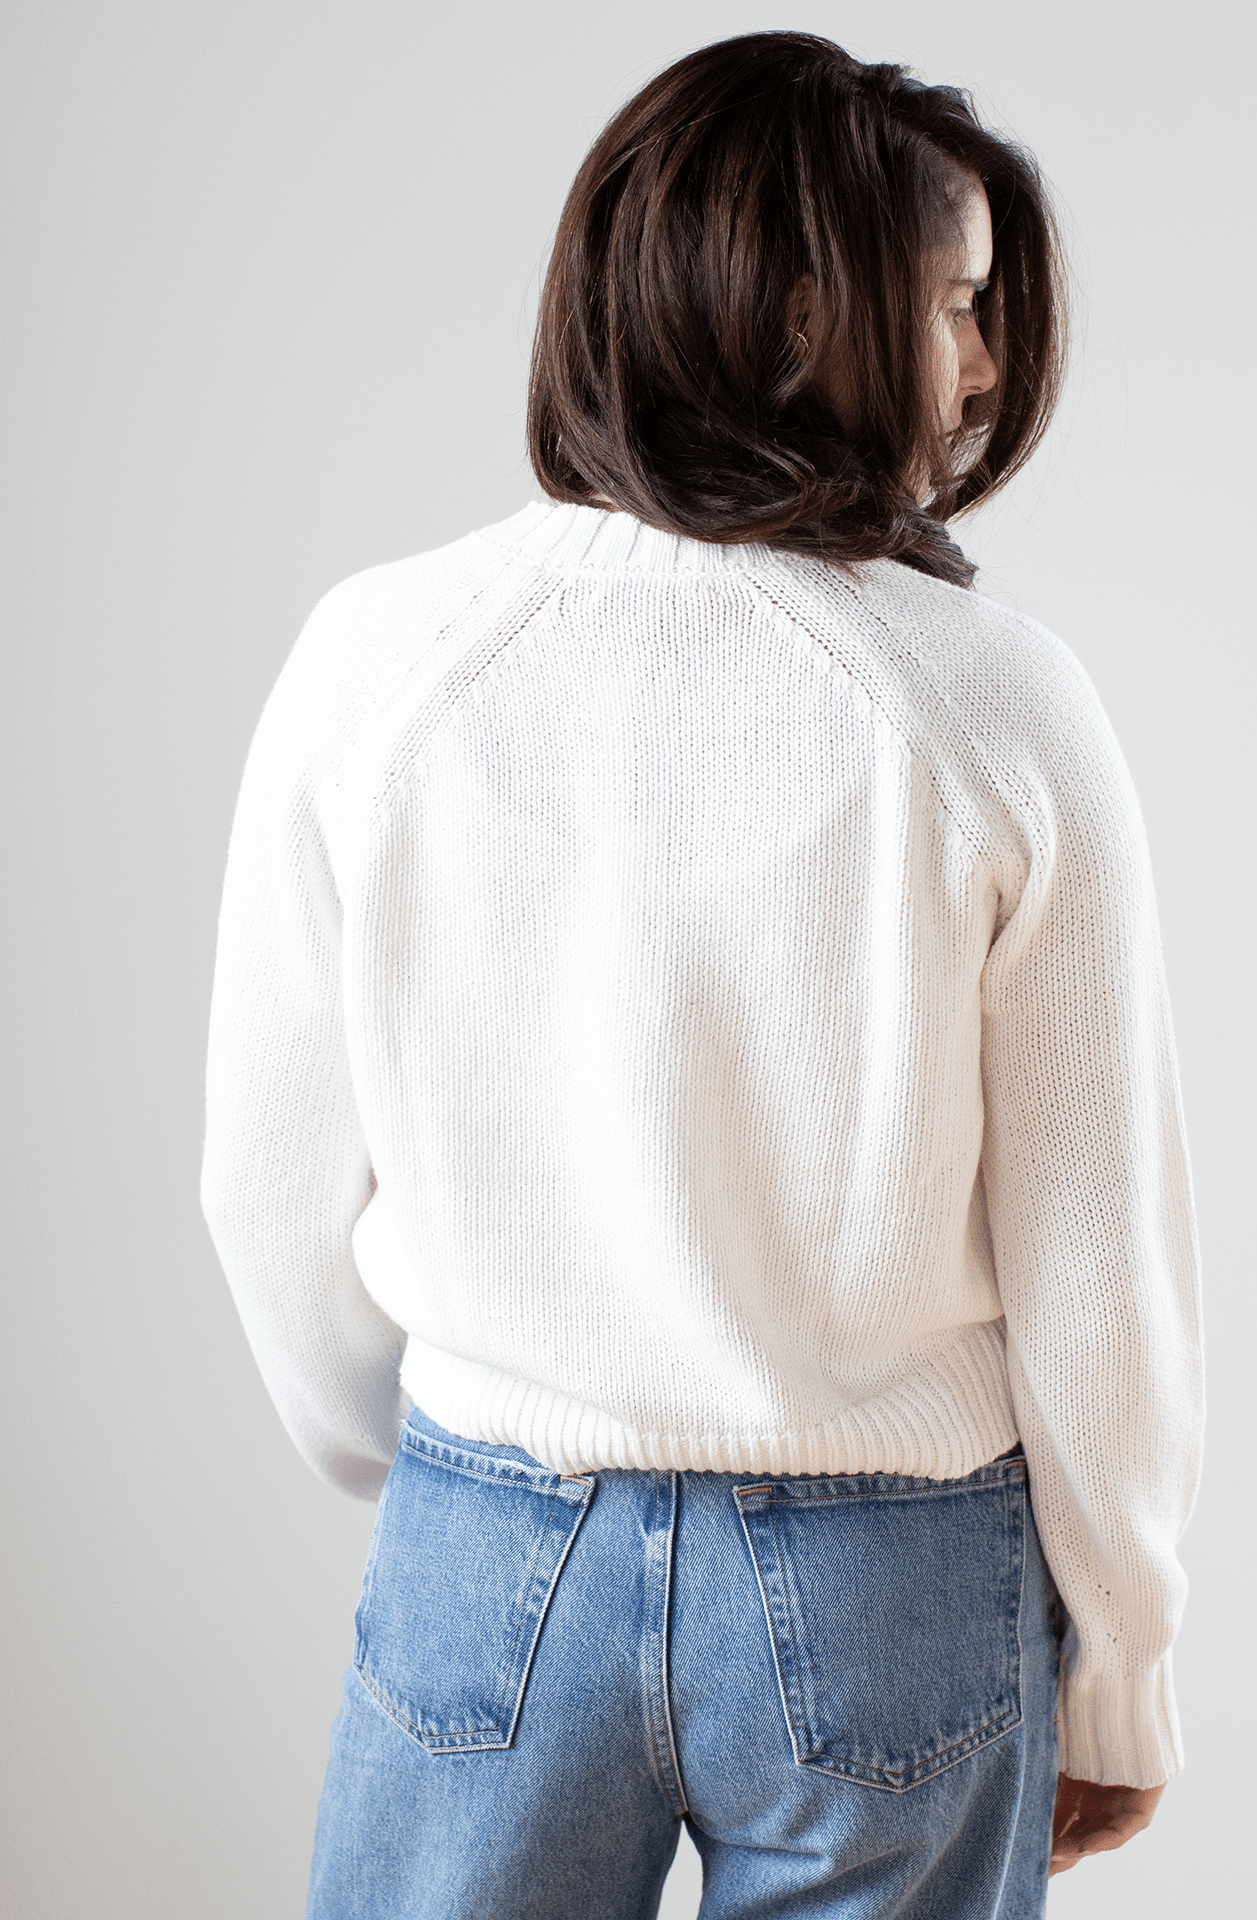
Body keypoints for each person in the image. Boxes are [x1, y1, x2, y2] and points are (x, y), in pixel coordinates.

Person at [201, 30, 1204, 1920]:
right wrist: (1125, 1661)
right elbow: (1100, 1254)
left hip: (491, 1531)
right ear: (801, 298)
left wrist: (447, 1458)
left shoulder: (381, 658)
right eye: (959, 304)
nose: (986, 363)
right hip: (895, 1577)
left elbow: (263, 1185)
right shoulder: (990, 700)